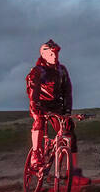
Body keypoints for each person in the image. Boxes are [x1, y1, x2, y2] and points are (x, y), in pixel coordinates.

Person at [25, 39, 74, 172]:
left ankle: (72, 171)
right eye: (51, 54)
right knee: (39, 122)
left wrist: (67, 111)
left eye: (56, 54)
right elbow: (33, 91)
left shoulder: (62, 71)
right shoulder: (37, 71)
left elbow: (67, 91)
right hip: (40, 104)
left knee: (68, 129)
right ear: (43, 55)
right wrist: (36, 107)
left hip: (56, 105)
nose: (55, 56)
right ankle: (36, 154)